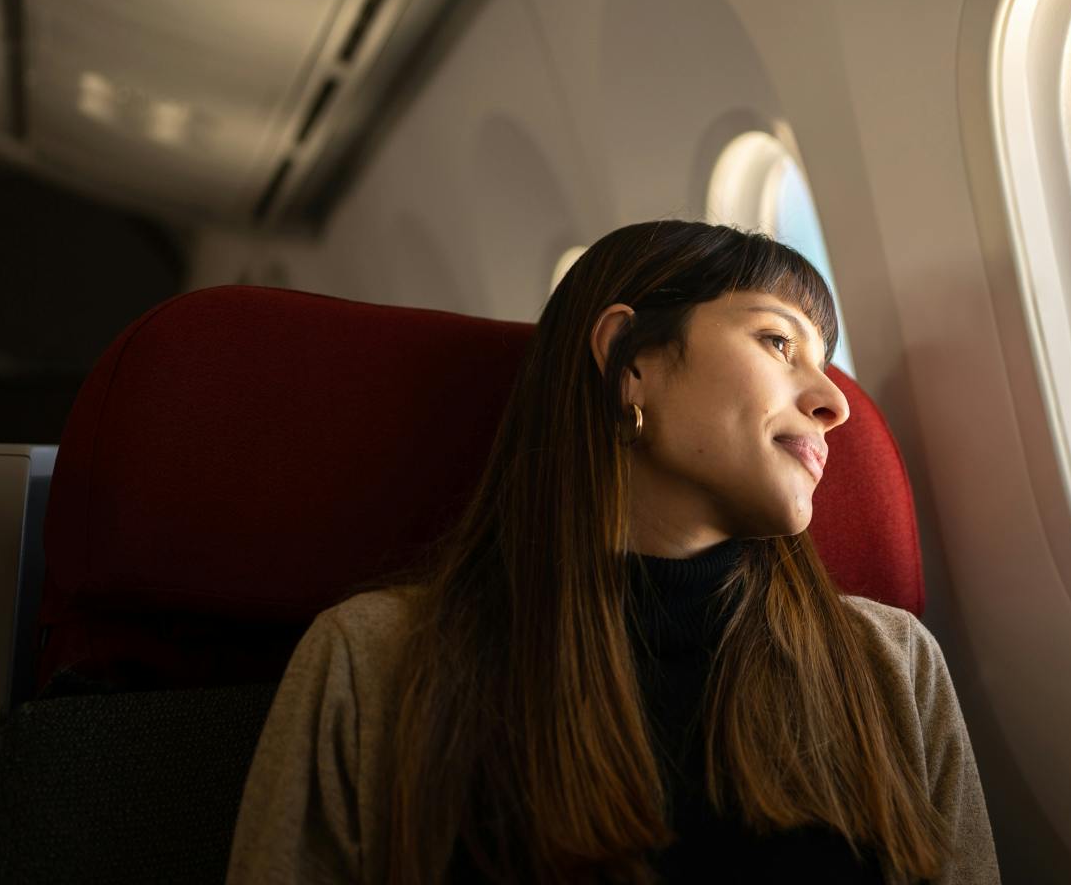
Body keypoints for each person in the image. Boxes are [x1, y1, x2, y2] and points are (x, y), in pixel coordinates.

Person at [225, 220, 1001, 884]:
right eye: (777, 342)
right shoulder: (376, 664)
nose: (835, 405)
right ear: (632, 362)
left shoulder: (891, 662)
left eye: (824, 362)